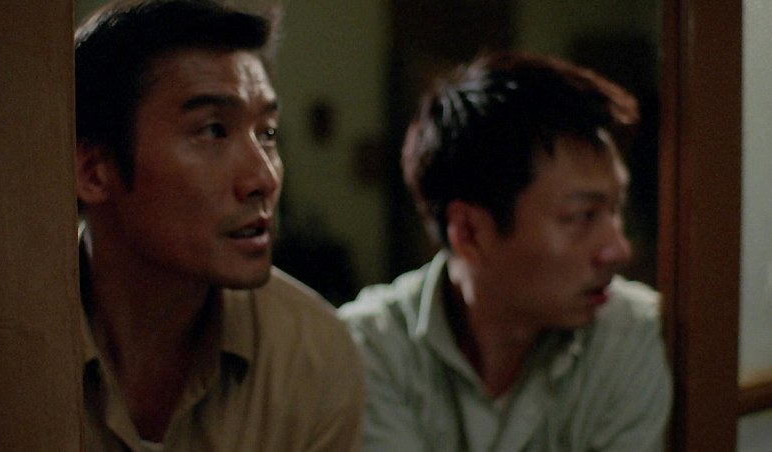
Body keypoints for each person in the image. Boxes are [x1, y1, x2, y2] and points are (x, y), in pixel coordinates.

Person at [338, 51, 672, 451]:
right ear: (470, 233)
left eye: (616, 210)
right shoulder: (370, 349)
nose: (618, 250)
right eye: (582, 216)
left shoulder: (633, 336)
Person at [74, 1, 364, 450]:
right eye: (212, 130)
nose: (264, 178)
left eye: (267, 133)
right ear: (94, 171)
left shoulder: (312, 357)